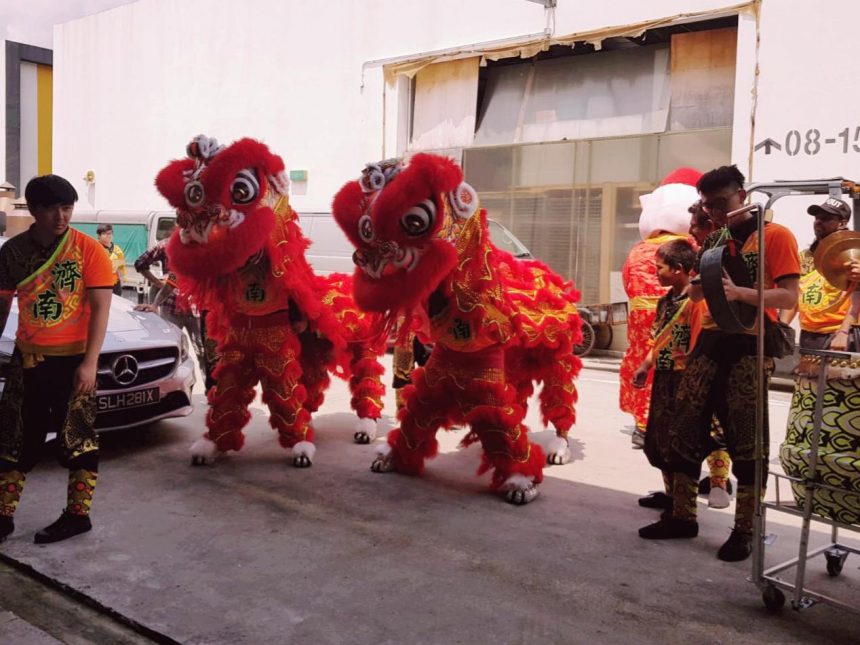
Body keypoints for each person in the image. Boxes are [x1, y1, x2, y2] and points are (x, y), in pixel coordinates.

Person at [639, 165, 800, 562]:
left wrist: (740, 293)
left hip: (749, 344)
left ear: (742, 195)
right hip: (709, 342)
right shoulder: (714, 241)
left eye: (721, 203)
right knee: (683, 427)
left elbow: (790, 298)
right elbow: (696, 297)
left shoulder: (775, 236)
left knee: (747, 439)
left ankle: (745, 529)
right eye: (708, 205)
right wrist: (698, 287)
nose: (713, 212)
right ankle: (682, 516)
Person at [0, 174, 113, 544]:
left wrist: (90, 363)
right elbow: (2, 304)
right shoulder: (12, 253)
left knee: (78, 438)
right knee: (14, 438)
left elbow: (100, 309)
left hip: (74, 361)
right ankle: (3, 516)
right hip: (28, 359)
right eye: (52, 209)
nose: (62, 217)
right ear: (33, 210)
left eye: (67, 208)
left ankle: (77, 516)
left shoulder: (88, 250)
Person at [620, 168, 701, 448]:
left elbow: (628, 283)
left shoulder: (637, 249)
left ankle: (642, 424)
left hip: (641, 318)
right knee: (678, 367)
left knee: (642, 363)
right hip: (680, 316)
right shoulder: (691, 246)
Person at [632, 239, 704, 511]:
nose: (655, 272)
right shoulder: (664, 302)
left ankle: (685, 508)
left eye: (660, 267)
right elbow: (661, 341)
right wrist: (645, 366)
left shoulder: (696, 301)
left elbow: (696, 346)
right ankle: (671, 493)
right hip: (664, 377)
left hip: (685, 380)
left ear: (678, 269)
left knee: (681, 443)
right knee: (659, 439)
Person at [133, 228, 213, 390]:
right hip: (172, 307)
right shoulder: (168, 247)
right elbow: (169, 283)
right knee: (170, 351)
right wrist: (156, 295)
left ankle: (210, 391)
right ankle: (167, 389)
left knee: (202, 351)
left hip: (195, 309)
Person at [96, 223, 126, 296]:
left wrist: (121, 281)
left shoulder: (117, 250)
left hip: (115, 284)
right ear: (99, 236)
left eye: (110, 233)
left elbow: (120, 268)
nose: (108, 236)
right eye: (105, 234)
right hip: (100, 284)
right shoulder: (95, 248)